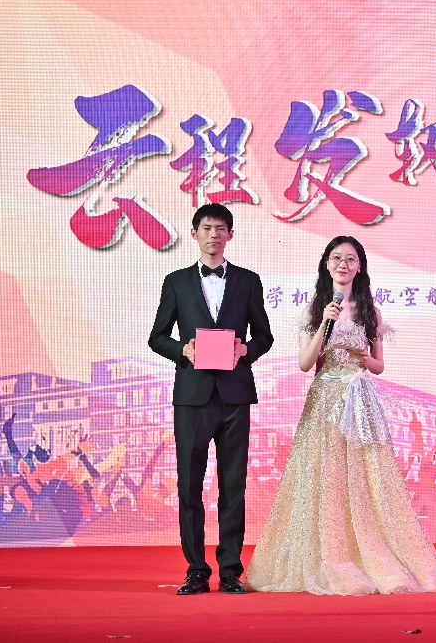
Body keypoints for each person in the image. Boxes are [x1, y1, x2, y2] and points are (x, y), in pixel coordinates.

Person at [247, 236, 436, 595]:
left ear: (360, 267)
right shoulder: (315, 310)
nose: (343, 264)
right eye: (336, 257)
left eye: (350, 259)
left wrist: (362, 357)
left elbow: (379, 365)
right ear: (327, 264)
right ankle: (328, 557)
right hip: (325, 399)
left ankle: (369, 556)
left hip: (360, 399)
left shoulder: (370, 311)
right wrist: (325, 325)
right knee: (325, 476)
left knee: (365, 478)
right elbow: (306, 363)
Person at [148, 203, 274, 595]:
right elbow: (157, 337)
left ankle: (231, 570)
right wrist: (182, 350)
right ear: (195, 233)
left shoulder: (248, 281)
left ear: (230, 235)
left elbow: (264, 336)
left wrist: (246, 350)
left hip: (235, 395)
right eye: (206, 228)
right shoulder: (177, 282)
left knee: (233, 486)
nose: (213, 235)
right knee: (189, 485)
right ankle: (196, 570)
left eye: (220, 228)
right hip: (192, 396)